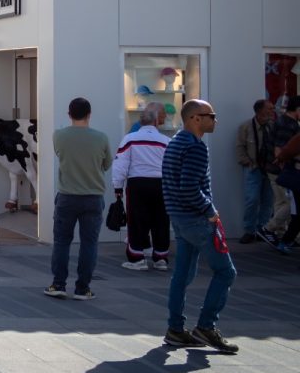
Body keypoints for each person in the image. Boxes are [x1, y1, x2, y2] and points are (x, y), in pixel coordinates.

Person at [161, 99, 238, 353]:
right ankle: (206, 327)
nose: (215, 120)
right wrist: (210, 211)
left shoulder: (175, 142)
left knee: (182, 276)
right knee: (226, 272)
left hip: (180, 219)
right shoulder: (195, 147)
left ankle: (175, 329)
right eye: (211, 115)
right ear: (195, 118)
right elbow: (189, 187)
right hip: (196, 219)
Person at [45, 97, 112, 301]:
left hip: (67, 196)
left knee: (62, 241)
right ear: (89, 114)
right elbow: (107, 163)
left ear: (69, 114)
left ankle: (58, 284)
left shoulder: (59, 136)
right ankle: (83, 288)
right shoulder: (101, 138)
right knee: (89, 243)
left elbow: (59, 155)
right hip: (93, 197)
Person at [112, 102, 172, 270]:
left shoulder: (130, 139)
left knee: (137, 220)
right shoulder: (166, 141)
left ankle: (137, 258)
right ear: (157, 122)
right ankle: (161, 258)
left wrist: (118, 188)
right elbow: (172, 166)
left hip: (137, 184)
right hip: (161, 184)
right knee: (161, 220)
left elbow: (120, 165)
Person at [235, 99, 277, 244]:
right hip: (253, 169)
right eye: (269, 109)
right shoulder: (246, 127)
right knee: (252, 200)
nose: (273, 111)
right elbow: (240, 147)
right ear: (260, 111)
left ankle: (262, 230)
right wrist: (247, 162)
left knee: (268, 201)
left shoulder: (273, 127)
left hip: (270, 169)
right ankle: (249, 230)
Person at [267, 97, 300, 238]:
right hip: (281, 170)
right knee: (287, 203)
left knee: (282, 202)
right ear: (298, 109)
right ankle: (268, 229)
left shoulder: (286, 122)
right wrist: (283, 169)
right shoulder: (288, 124)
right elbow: (278, 150)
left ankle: (279, 234)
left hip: (280, 170)